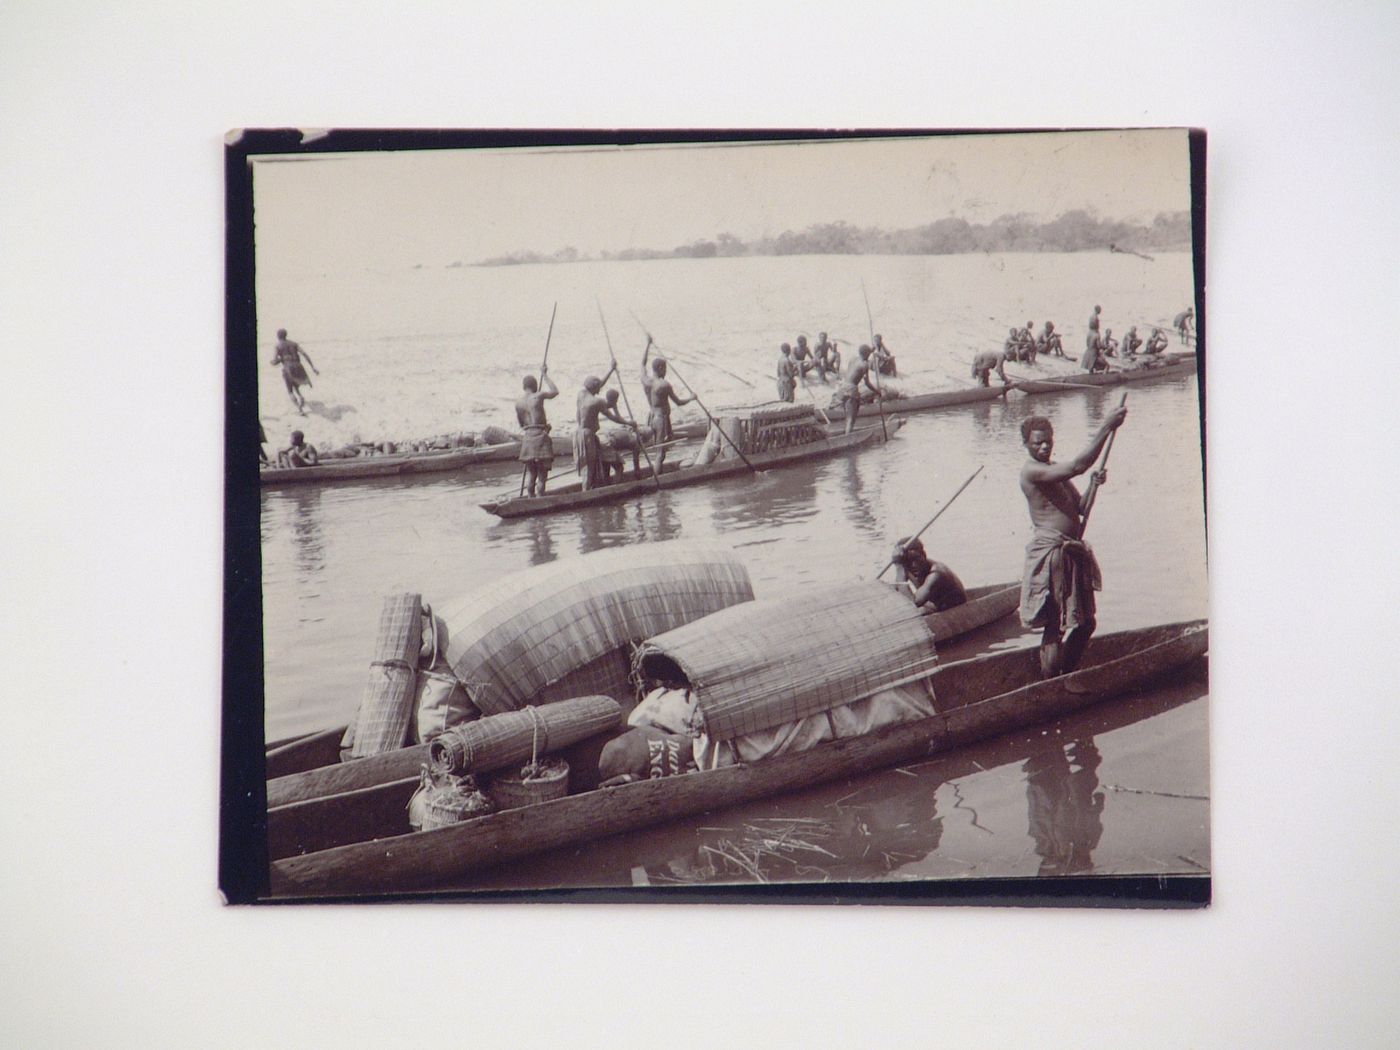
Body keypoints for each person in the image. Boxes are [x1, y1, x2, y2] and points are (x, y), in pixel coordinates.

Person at [1018, 405, 1128, 678]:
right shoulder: (1031, 471)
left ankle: (1065, 673)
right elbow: (1078, 465)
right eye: (1037, 443)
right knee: (1055, 623)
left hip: (1071, 551)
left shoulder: (1053, 469)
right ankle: (1051, 682)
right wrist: (1106, 426)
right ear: (1026, 444)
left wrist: (1093, 484)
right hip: (1054, 554)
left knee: (1086, 622)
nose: (1044, 447)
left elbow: (1080, 507)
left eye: (1048, 441)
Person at [575, 370, 633, 490]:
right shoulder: (597, 401)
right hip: (587, 436)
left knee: (590, 467)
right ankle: (586, 495)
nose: (600, 389)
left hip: (578, 435)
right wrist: (628, 423)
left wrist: (611, 370)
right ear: (594, 387)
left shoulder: (581, 394)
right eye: (598, 387)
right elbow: (613, 418)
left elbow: (599, 384)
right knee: (589, 468)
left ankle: (589, 490)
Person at [641, 340, 694, 470]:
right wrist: (691, 398)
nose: (665, 371)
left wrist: (647, 345)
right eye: (665, 368)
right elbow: (678, 402)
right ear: (660, 368)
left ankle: (657, 474)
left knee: (660, 451)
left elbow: (642, 364)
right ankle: (657, 481)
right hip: (661, 420)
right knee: (660, 453)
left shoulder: (646, 381)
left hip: (651, 419)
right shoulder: (664, 385)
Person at [889, 537, 967, 612]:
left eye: (917, 558)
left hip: (956, 610)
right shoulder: (910, 568)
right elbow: (899, 590)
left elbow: (912, 604)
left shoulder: (936, 573)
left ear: (924, 554)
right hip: (937, 606)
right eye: (908, 561)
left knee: (919, 610)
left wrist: (899, 569)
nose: (914, 565)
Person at [514, 366, 559, 497]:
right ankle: (540, 498)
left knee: (532, 473)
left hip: (527, 437)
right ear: (535, 386)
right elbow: (555, 391)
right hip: (540, 436)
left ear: (524, 387)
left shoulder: (518, 403)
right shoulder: (538, 395)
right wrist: (544, 375)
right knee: (542, 474)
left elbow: (522, 424)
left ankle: (529, 497)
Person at [598, 391, 654, 482]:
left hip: (602, 440)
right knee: (619, 469)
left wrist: (627, 422)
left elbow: (618, 417)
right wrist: (639, 476)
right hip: (607, 443)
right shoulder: (635, 442)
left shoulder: (627, 431)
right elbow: (637, 467)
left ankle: (607, 487)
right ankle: (616, 490)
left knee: (606, 470)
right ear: (642, 437)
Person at [833, 344, 881, 434]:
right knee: (851, 418)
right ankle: (848, 438)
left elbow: (864, 353)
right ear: (867, 354)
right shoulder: (864, 365)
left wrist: (871, 350)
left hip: (842, 388)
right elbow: (867, 383)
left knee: (847, 417)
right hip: (851, 390)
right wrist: (877, 392)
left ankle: (847, 433)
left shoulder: (853, 359)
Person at [271, 329, 319, 415]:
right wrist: (313, 367)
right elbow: (305, 354)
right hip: (298, 366)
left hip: (288, 368)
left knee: (290, 390)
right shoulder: (294, 344)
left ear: (278, 336)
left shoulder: (278, 346)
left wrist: (276, 361)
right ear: (286, 335)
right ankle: (300, 397)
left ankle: (300, 410)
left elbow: (274, 361)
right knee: (296, 385)